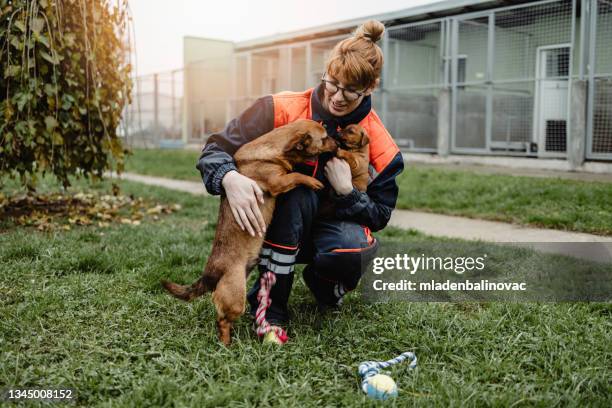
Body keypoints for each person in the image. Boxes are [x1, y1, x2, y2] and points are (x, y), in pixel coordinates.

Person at [196, 20, 404, 343]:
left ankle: (323, 284)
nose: (336, 97)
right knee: (295, 192)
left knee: (353, 250)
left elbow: (381, 215)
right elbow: (214, 148)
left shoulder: (380, 143)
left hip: (331, 231)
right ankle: (270, 308)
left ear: (370, 89)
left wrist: (348, 193)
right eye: (332, 83)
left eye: (350, 91)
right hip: (279, 226)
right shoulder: (280, 108)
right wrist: (229, 177)